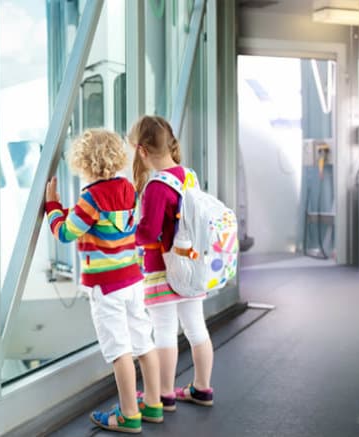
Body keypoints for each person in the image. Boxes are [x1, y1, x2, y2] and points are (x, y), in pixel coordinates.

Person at [45, 129, 163, 433]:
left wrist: (52, 207)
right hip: (133, 281)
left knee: (119, 350)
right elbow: (106, 221)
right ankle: (152, 404)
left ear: (83, 163)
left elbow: (65, 232)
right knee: (143, 342)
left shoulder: (90, 197)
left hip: (107, 287)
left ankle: (128, 414)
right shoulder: (127, 188)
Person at [129, 115, 215, 411]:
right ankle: (202, 388)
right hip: (191, 264)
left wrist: (128, 230)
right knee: (196, 328)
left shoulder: (155, 187)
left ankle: (164, 393)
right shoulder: (187, 175)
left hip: (161, 269)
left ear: (142, 151)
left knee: (164, 331)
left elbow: (148, 232)